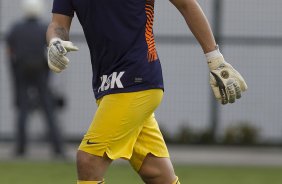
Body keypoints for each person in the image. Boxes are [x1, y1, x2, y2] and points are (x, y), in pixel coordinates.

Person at [46, 0, 247, 183]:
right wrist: (54, 41)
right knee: (157, 173)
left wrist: (215, 59)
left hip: (138, 77)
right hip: (107, 85)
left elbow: (186, 4)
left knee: (88, 160)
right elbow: (59, 25)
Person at [6, 0, 65, 157]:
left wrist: (15, 74)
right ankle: (58, 148)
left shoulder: (15, 29)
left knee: (23, 109)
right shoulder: (44, 28)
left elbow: (11, 53)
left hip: (22, 72)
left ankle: (20, 148)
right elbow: (52, 53)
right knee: (48, 109)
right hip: (41, 73)